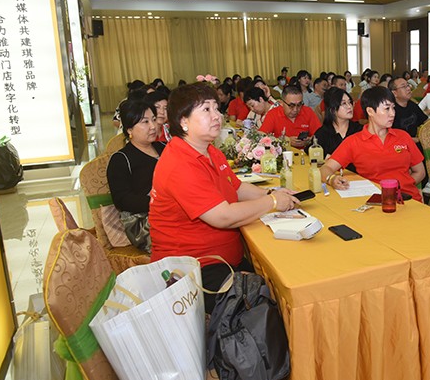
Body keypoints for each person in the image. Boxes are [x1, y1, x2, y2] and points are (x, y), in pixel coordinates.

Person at [149, 83, 299, 314]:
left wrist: (273, 193)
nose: (216, 116)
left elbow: (235, 188)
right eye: (206, 110)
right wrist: (272, 203)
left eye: (216, 109)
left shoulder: (209, 150)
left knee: (280, 275)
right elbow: (222, 216)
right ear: (183, 121)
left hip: (222, 257)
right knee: (265, 300)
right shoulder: (180, 163)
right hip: (194, 268)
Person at [320, 87, 426, 202]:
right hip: (376, 201)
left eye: (393, 108)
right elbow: (325, 168)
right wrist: (332, 179)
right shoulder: (354, 142)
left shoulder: (403, 137)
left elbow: (420, 172)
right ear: (370, 111)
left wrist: (401, 185)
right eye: (387, 108)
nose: (392, 114)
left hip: (408, 199)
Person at [107, 100, 167, 253]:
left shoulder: (165, 147)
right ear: (129, 129)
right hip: (143, 221)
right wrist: (161, 203)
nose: (153, 126)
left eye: (154, 119)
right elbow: (122, 200)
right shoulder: (121, 159)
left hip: (171, 210)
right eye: (145, 122)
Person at [313, 88, 362, 168]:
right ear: (332, 110)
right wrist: (327, 156)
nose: (349, 106)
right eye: (344, 103)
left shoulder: (359, 130)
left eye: (350, 102)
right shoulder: (324, 132)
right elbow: (311, 148)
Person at [389, 77, 428, 142]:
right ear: (394, 93)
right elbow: (389, 136)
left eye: (408, 85)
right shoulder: (390, 110)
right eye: (403, 87)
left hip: (414, 142)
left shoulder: (412, 105)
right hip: (398, 144)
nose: (408, 88)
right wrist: (412, 140)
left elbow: (425, 121)